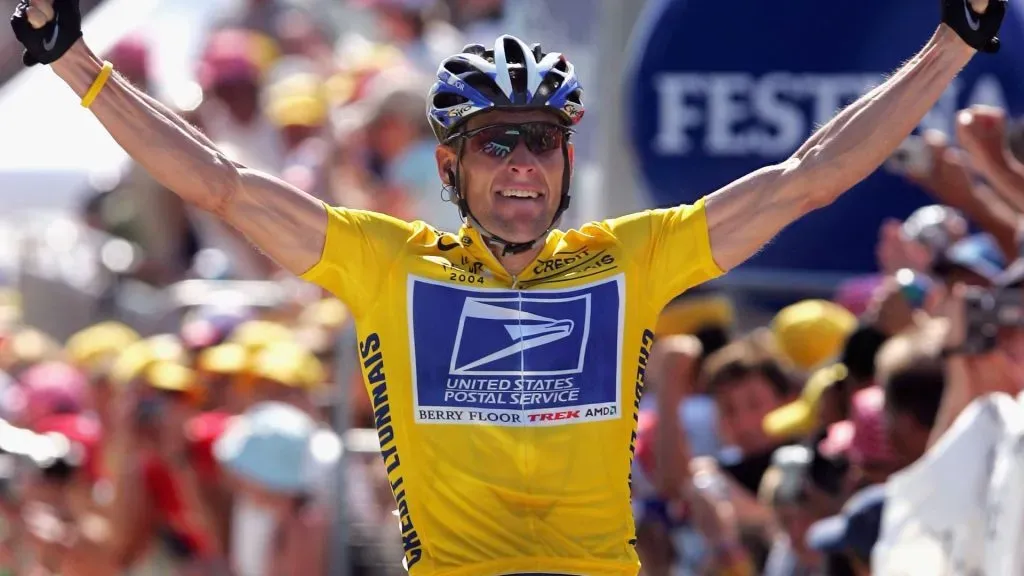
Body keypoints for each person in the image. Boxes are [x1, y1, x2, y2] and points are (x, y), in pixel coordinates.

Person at [9, 0, 1008, 573]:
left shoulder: (631, 257)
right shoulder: (387, 260)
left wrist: (948, 47)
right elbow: (218, 185)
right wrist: (75, 61)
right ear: (451, 169)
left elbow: (810, 176)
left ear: (567, 164)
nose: (521, 165)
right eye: (496, 144)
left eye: (541, 142)